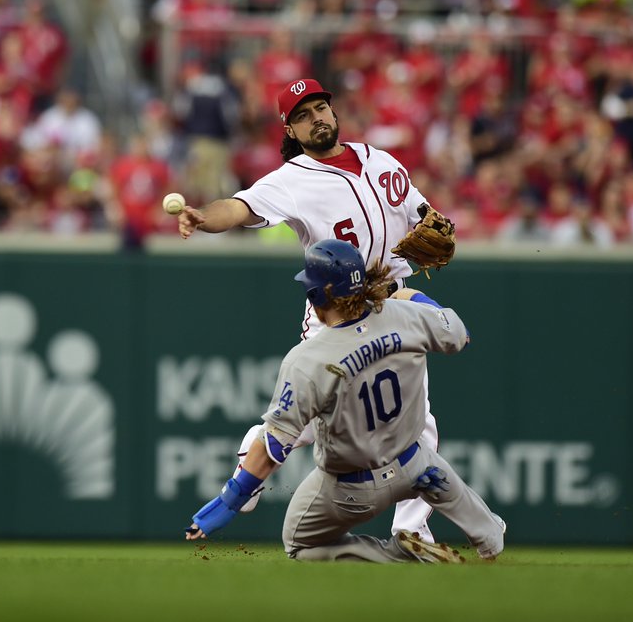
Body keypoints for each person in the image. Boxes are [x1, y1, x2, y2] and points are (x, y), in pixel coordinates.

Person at [176, 77, 495, 549]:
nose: (316, 118)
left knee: (420, 423)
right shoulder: (291, 179)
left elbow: (423, 213)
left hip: (394, 305)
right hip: (336, 315)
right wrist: (205, 217)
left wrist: (432, 222)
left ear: (333, 110)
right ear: (291, 129)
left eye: (320, 107)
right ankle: (248, 475)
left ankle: (411, 529)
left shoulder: (380, 160)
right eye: (302, 115)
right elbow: (240, 207)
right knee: (300, 422)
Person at [184, 240, 505, 562]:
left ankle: (397, 555)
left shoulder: (308, 359)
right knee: (442, 482)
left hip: (352, 490)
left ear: (317, 296)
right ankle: (490, 536)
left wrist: (233, 497)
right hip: (416, 464)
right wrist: (414, 298)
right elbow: (459, 335)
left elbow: (274, 444)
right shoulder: (406, 316)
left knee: (299, 544)